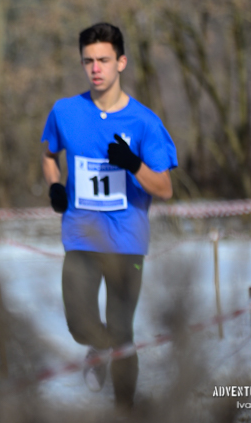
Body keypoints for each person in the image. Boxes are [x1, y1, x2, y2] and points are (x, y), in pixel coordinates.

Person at [42, 22, 176, 409]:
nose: (95, 68)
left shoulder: (144, 122)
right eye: (88, 61)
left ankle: (125, 410)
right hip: (81, 236)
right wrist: (54, 185)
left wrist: (133, 163)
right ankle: (96, 350)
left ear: (121, 62)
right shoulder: (65, 111)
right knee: (79, 324)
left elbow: (164, 188)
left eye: (103, 60)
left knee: (121, 332)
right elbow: (49, 154)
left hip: (127, 240)